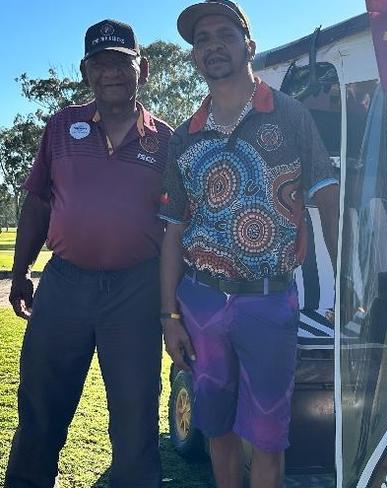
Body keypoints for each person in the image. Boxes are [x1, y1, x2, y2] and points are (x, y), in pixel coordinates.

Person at [159, 1, 339, 487]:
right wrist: (169, 316)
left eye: (224, 35)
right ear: (195, 57)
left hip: (269, 301)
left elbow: (328, 197)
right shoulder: (184, 137)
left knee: (267, 435)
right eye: (201, 40)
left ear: (248, 46)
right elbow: (174, 229)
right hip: (200, 303)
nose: (212, 45)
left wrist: (346, 281)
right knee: (215, 424)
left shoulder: (291, 116)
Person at [5, 19, 173, 488]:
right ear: (85, 71)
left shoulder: (166, 140)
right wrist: (20, 273)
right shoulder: (62, 126)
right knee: (40, 408)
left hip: (135, 290)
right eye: (100, 64)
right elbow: (38, 201)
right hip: (64, 285)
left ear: (143, 67)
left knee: (136, 415)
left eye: (121, 62)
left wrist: (174, 305)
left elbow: (177, 224)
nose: (111, 73)